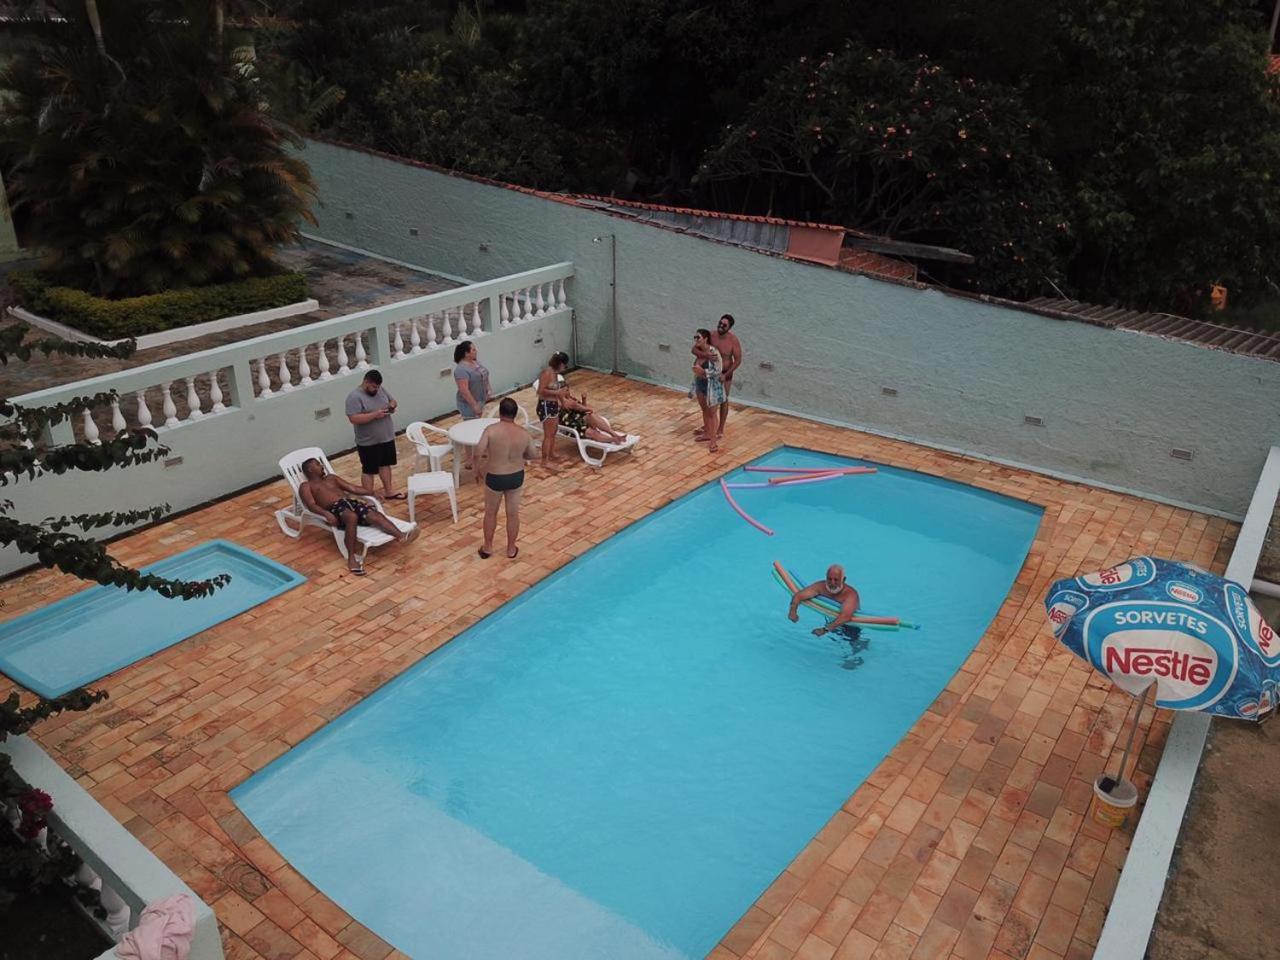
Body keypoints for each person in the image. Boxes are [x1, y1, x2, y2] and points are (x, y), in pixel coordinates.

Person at [298, 458, 418, 575]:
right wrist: (326, 514)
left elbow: (353, 488)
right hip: (335, 509)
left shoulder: (331, 478)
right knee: (351, 517)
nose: (322, 466)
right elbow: (311, 505)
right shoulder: (306, 486)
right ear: (310, 469)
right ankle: (351, 559)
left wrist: (372, 492)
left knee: (375, 515)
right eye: (318, 464)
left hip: (350, 503)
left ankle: (401, 536)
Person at [475, 397, 538, 559]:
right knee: (512, 514)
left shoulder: (491, 430)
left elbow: (478, 451)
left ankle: (488, 547)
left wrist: (478, 469)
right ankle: (511, 548)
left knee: (490, 513)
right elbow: (533, 454)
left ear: (500, 412)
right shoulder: (523, 433)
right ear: (515, 414)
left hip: (495, 476)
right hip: (515, 476)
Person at [541, 353, 629, 446]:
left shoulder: (569, 397)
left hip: (579, 419)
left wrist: (584, 400)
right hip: (571, 424)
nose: (568, 391)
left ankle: (614, 434)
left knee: (591, 416)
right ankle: (613, 439)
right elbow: (573, 406)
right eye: (566, 389)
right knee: (592, 431)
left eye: (568, 389)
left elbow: (580, 407)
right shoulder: (556, 401)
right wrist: (586, 409)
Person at [344, 369, 403, 500]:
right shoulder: (354, 397)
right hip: (368, 442)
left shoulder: (380, 389)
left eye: (378, 387)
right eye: (373, 387)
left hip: (386, 437)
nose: (376, 389)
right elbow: (353, 418)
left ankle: (389, 491)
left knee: (385, 465)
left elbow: (393, 400)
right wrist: (375, 415)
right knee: (369, 470)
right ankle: (369, 497)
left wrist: (392, 405)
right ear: (366, 382)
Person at [788, 564, 862, 638]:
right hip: (831, 619)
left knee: (855, 643)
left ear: (843, 580)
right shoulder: (821, 587)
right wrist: (793, 611)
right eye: (829, 579)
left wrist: (824, 630)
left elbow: (846, 617)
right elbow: (798, 596)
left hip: (851, 625)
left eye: (836, 580)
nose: (832, 583)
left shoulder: (851, 595)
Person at [704, 313, 743, 441]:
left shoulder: (733, 340)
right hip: (712, 372)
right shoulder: (711, 335)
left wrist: (726, 375)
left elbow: (738, 360)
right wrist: (706, 357)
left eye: (724, 325)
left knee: (723, 400)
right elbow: (696, 348)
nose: (721, 326)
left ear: (729, 327)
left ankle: (720, 428)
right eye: (720, 323)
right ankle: (709, 425)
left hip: (725, 373)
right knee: (708, 400)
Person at [691, 329, 725, 452]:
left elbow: (718, 370)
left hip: (712, 386)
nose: (695, 340)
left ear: (705, 338)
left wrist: (703, 372)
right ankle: (707, 433)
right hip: (700, 384)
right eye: (695, 337)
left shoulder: (714, 353)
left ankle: (713, 441)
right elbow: (692, 350)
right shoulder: (699, 351)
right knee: (704, 410)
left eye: (698, 337)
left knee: (712, 413)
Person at [453, 340, 490, 420]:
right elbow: (464, 391)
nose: (476, 351)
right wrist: (475, 406)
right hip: (468, 404)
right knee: (471, 425)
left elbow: (484, 374)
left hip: (480, 400)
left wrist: (488, 389)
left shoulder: (475, 362)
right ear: (466, 353)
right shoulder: (461, 370)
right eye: (473, 350)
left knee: (478, 421)